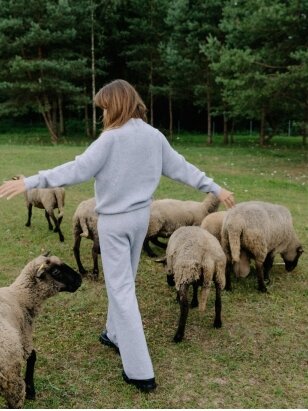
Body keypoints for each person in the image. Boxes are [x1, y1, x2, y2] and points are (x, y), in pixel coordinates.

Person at [0, 79, 235, 393]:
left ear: (118, 103)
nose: (103, 113)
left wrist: (31, 181)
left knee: (122, 290)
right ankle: (113, 333)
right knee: (123, 282)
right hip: (141, 219)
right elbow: (181, 167)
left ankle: (140, 371)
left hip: (114, 222)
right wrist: (214, 187)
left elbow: (76, 169)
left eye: (105, 107)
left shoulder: (109, 139)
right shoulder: (154, 136)